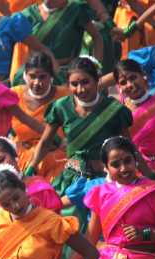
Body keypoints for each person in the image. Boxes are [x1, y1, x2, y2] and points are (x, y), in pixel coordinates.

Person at [29, 56, 135, 198]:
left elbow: (128, 146)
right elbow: (45, 142)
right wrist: (31, 168)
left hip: (107, 179)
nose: (80, 89)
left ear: (97, 79)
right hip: (73, 180)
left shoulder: (114, 109)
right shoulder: (61, 107)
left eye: (85, 82)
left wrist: (146, 174)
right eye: (74, 84)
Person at [10, 53, 68, 182]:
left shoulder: (65, 96)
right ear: (25, 75)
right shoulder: (13, 95)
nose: (37, 82)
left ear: (51, 77)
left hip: (57, 159)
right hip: (21, 157)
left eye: (43, 77)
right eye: (32, 76)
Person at [114, 59, 155, 181]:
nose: (130, 85)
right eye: (123, 82)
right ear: (119, 87)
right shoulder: (117, 110)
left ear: (144, 76)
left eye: (133, 78)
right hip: (125, 173)